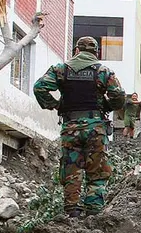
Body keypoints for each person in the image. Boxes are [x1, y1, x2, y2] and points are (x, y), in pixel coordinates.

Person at [34, 37, 125, 217]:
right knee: (97, 170)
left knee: (71, 168)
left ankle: (72, 211)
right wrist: (106, 106)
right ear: (96, 52)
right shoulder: (103, 71)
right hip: (96, 127)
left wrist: (55, 105)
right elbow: (119, 96)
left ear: (76, 50)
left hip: (70, 128)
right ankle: (93, 211)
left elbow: (40, 87)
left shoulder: (61, 69)